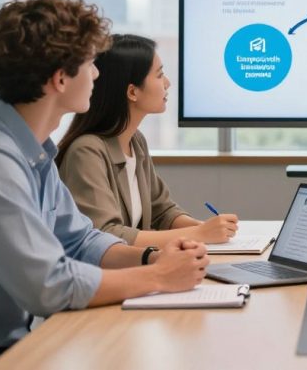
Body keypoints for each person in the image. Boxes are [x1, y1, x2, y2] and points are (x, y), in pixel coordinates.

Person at [0, 0, 209, 354]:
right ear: (60, 79)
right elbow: (49, 286)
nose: (97, 74)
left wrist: (152, 257)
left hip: (13, 340)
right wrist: (157, 278)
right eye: (90, 63)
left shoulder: (31, 151)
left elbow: (80, 241)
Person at [57, 34, 238, 246]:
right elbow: (106, 235)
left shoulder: (135, 141)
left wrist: (202, 228)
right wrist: (199, 235)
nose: (168, 83)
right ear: (132, 92)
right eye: (160, 75)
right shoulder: (86, 151)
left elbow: (163, 210)